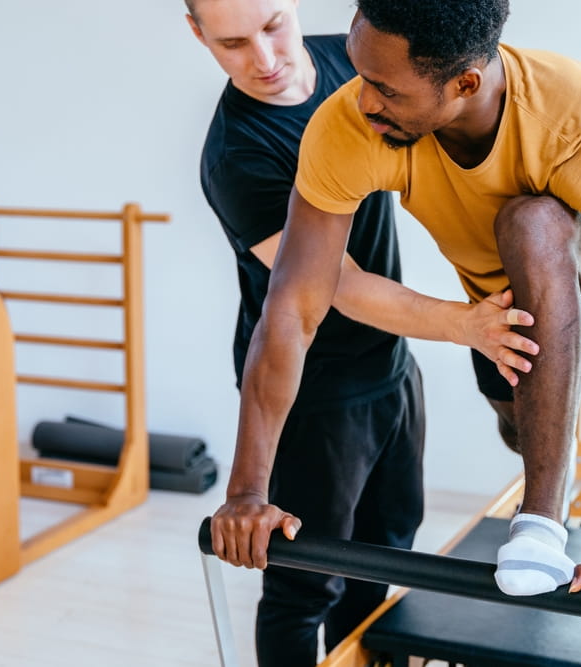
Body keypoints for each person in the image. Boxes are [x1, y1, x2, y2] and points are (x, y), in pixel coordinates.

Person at [218, 0, 581, 640]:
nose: (363, 101)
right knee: (517, 429)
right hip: (499, 303)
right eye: (361, 76)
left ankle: (542, 522)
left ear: (464, 84)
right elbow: (292, 307)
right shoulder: (350, 125)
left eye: (385, 88)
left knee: (531, 223)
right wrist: (247, 490)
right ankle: (547, 462)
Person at [186, 0, 540, 664]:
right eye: (233, 43)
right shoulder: (237, 157)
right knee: (304, 586)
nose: (264, 60)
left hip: (390, 369)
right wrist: (465, 323)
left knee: (386, 560)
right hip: (309, 396)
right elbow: (333, 284)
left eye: (271, 27)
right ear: (198, 34)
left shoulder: (354, 64)